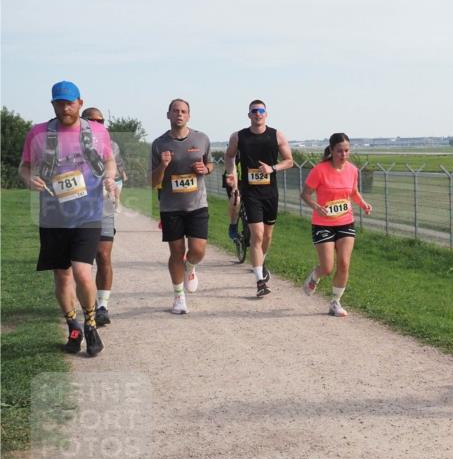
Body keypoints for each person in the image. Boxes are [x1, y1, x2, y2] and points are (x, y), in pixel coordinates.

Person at [18, 81, 118, 356]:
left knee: (82, 271)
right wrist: (30, 180)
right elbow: (24, 167)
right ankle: (72, 325)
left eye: (69, 103)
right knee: (62, 276)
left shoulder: (97, 132)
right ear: (52, 104)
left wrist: (109, 175)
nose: (65, 108)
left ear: (80, 103)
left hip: (88, 214)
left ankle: (90, 323)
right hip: (53, 216)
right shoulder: (38, 133)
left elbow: (109, 161)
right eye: (59, 103)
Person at [150, 99, 213, 315]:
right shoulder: (159, 144)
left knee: (197, 250)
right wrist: (163, 165)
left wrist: (205, 168)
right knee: (176, 252)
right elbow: (152, 181)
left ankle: (191, 267)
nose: (179, 114)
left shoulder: (202, 138)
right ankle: (178, 296)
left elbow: (210, 164)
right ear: (168, 115)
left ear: (189, 115)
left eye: (183, 111)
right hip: (170, 207)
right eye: (175, 111)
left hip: (197, 204)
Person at [224, 100, 293, 297]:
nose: (258, 114)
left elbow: (289, 161)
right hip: (251, 192)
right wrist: (233, 177)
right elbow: (229, 157)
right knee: (258, 235)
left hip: (270, 193)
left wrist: (272, 168)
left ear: (266, 114)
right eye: (254, 111)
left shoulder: (276, 135)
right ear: (249, 115)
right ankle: (259, 280)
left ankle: (261, 262)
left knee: (268, 236)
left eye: (261, 111)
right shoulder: (238, 136)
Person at [299, 133, 372, 317]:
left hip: (345, 221)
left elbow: (353, 192)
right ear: (331, 150)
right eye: (339, 151)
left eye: (347, 150)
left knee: (345, 263)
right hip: (322, 223)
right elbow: (305, 194)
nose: (344, 154)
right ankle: (315, 276)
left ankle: (335, 302)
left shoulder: (353, 170)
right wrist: (316, 206)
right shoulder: (320, 170)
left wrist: (363, 204)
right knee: (327, 267)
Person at [82, 107, 128, 326]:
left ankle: (102, 306)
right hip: (77, 209)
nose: (97, 124)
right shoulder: (70, 143)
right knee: (80, 263)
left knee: (103, 255)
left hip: (103, 206)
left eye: (100, 121)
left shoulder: (112, 145)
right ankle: (84, 303)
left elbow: (116, 168)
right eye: (91, 121)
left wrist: (112, 178)